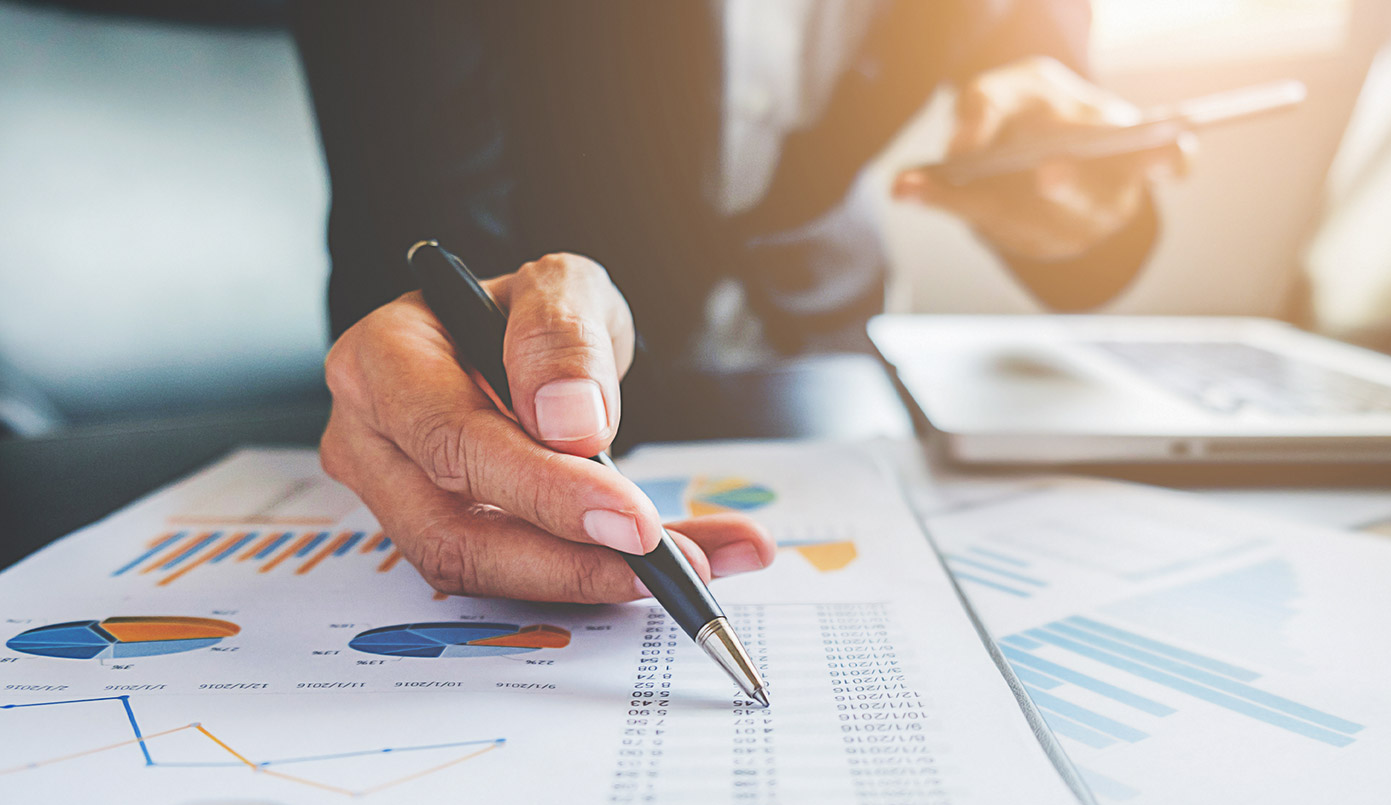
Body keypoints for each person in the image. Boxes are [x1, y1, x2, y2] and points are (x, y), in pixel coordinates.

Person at [293, 0, 1188, 605]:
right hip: (554, 376)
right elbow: (417, 226)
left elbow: (1083, 233)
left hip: (838, 362)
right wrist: (441, 357)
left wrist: (1073, 178)